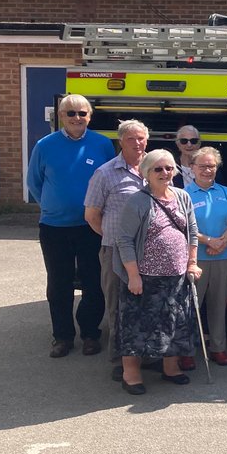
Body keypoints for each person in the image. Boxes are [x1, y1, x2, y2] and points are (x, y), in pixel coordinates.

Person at [27, 94, 115, 359]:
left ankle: (90, 334)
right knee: (59, 283)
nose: (77, 118)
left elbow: (110, 181)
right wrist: (52, 205)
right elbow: (34, 182)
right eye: (71, 113)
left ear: (90, 116)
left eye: (82, 113)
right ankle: (63, 336)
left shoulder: (102, 144)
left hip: (91, 227)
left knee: (93, 282)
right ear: (61, 116)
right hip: (54, 227)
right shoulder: (45, 145)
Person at [112, 150, 203, 395]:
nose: (165, 173)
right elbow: (124, 240)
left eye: (169, 168)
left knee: (173, 324)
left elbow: (192, 232)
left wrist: (192, 263)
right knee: (136, 327)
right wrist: (133, 276)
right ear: (146, 173)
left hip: (176, 277)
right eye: (158, 169)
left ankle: (170, 368)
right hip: (145, 278)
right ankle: (130, 375)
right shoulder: (137, 201)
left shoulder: (182, 196)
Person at [84, 119, 149, 380]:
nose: (137, 143)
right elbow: (91, 215)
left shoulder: (156, 167)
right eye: (131, 138)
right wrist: (116, 239)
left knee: (147, 307)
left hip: (151, 253)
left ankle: (146, 355)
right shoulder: (105, 173)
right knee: (118, 307)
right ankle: (120, 361)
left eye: (141, 138)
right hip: (116, 253)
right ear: (120, 141)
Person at [185, 147, 227, 367]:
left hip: (224, 256)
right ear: (192, 168)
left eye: (211, 166)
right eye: (202, 166)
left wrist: (222, 242)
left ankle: (218, 348)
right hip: (195, 258)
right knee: (191, 306)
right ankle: (186, 350)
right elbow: (184, 226)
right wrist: (209, 241)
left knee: (219, 305)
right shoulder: (184, 194)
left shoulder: (225, 192)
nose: (207, 170)